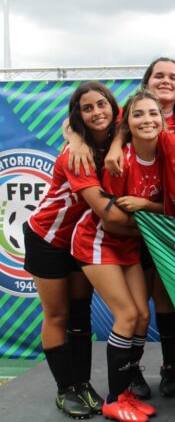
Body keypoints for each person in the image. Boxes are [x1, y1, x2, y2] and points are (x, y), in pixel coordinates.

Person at [23, 82, 121, 418]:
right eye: (87, 108)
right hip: (47, 238)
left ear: (113, 106)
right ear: (78, 116)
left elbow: (131, 123)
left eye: (101, 104)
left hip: (80, 240)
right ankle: (65, 389)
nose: (97, 112)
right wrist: (75, 139)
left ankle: (83, 384)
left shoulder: (114, 140)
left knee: (80, 314)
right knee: (57, 315)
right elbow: (102, 208)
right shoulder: (74, 153)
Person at [71, 90, 162, 422]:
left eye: (153, 114)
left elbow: (170, 208)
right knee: (127, 315)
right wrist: (149, 227)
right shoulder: (119, 160)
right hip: (97, 241)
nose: (147, 120)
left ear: (163, 120)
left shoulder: (165, 155)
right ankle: (113, 399)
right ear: (128, 123)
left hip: (128, 244)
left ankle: (126, 393)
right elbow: (109, 218)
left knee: (142, 316)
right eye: (138, 114)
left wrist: (150, 210)